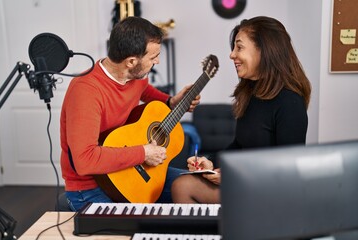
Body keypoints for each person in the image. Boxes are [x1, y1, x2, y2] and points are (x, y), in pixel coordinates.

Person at [60, 16, 200, 211]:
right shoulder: (86, 91)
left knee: (200, 188)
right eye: (153, 57)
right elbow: (85, 160)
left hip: (130, 171)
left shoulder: (135, 76)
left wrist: (170, 101)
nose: (157, 61)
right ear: (131, 61)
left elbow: (144, 90)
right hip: (91, 187)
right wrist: (143, 152)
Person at [171, 16, 311, 204]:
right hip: (246, 184)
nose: (232, 55)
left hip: (270, 195)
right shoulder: (251, 93)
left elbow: (288, 169)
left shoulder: (290, 102)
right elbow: (239, 146)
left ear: (264, 50)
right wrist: (211, 162)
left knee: (183, 186)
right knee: (180, 182)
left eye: (239, 47)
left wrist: (233, 176)